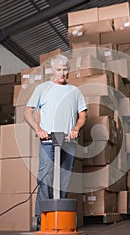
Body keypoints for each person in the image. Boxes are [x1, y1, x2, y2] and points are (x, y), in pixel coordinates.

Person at [24, 54, 87, 220]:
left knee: (64, 179)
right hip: (48, 140)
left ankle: (59, 217)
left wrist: (76, 128)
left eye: (65, 69)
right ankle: (41, 218)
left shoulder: (75, 91)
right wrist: (38, 128)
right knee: (45, 178)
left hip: (68, 141)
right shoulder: (42, 88)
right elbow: (27, 111)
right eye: (59, 69)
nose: (62, 73)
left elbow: (82, 116)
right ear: (52, 70)